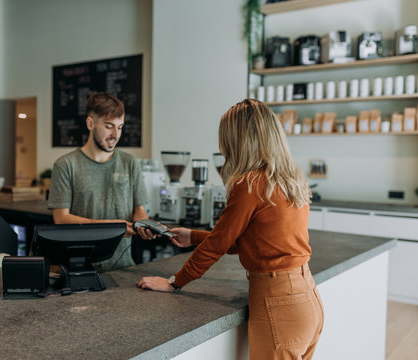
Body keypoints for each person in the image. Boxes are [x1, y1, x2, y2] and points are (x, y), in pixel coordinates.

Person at [136, 99, 324, 359]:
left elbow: (218, 245)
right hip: (307, 297)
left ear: (237, 141)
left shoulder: (250, 183)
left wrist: (174, 283)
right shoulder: (287, 179)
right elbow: (247, 241)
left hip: (278, 300)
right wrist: (193, 236)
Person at [48, 92, 154, 272]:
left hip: (123, 267)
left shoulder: (130, 163)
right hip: (79, 268)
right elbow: (61, 218)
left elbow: (139, 210)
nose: (115, 134)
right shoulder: (66, 165)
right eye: (109, 126)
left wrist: (145, 225)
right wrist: (111, 227)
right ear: (91, 123)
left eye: (120, 127)